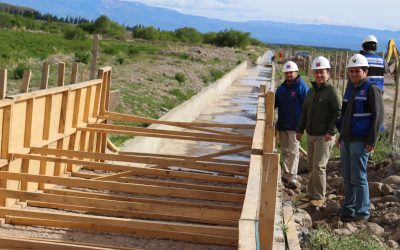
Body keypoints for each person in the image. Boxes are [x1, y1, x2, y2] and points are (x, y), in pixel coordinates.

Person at [336, 54, 384, 221]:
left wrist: (372, 140)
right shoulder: (350, 89)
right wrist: (340, 136)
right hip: (347, 139)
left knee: (359, 177)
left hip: (361, 140)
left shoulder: (371, 89)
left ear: (365, 71)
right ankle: (349, 209)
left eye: (358, 71)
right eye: (352, 71)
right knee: (347, 177)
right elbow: (345, 116)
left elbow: (378, 116)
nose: (354, 74)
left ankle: (362, 212)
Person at [296, 56, 341, 207]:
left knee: (319, 166)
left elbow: (338, 112)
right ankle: (310, 193)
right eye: (317, 72)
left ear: (328, 73)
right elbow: (304, 112)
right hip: (311, 134)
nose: (319, 75)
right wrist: (299, 129)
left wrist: (331, 131)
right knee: (310, 165)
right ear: (313, 73)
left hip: (325, 135)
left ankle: (319, 196)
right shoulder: (311, 92)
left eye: (322, 72)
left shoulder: (332, 91)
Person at [275, 61, 309, 189]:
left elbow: (307, 107)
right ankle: (285, 174)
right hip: (283, 124)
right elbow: (274, 104)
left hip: (296, 127)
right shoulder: (281, 88)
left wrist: (303, 125)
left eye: (291, 72)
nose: (289, 74)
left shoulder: (302, 88)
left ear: (296, 73)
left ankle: (293, 177)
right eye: (287, 72)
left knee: (294, 152)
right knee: (285, 151)